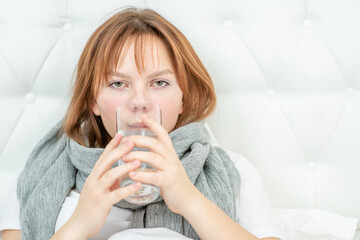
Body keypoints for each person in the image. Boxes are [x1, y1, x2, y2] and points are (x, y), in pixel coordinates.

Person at [0, 7, 280, 240]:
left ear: (183, 99)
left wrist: (190, 200)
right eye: (118, 83)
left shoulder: (236, 171)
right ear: (93, 101)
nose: (139, 101)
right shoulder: (40, 173)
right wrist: (80, 223)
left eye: (159, 82)